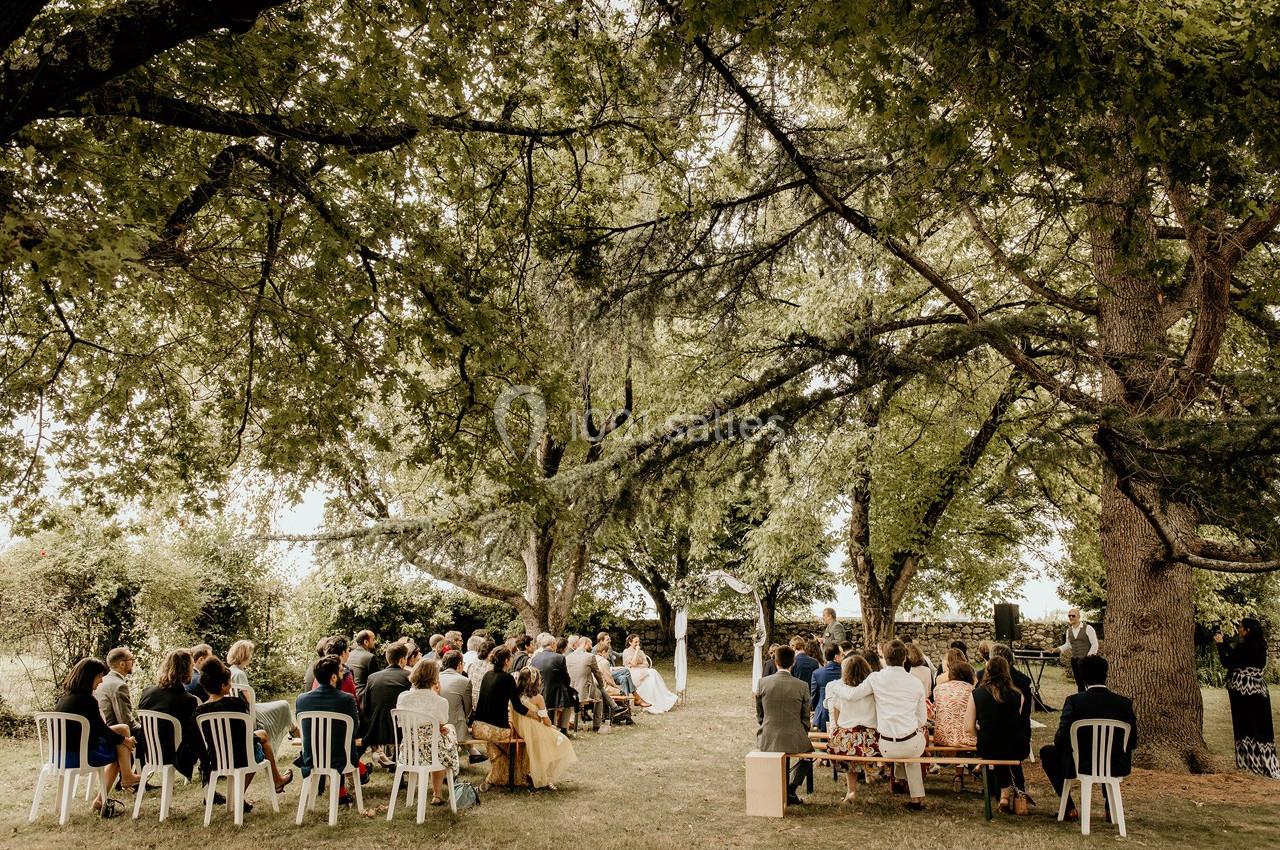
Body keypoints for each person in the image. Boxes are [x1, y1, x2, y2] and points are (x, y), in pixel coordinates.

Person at [1039, 654, 1137, 821]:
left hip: (1080, 763)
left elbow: (1061, 737)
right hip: (1114, 764)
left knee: (1047, 752)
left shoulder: (1074, 701)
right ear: (1106, 674)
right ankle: (1109, 808)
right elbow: (1132, 741)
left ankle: (1069, 807)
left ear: (1083, 677)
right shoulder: (1123, 703)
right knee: (1108, 754)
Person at [841, 639, 927, 810]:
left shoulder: (876, 678)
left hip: (886, 745)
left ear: (884, 658)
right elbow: (922, 719)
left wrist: (834, 687)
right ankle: (915, 798)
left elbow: (853, 694)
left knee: (907, 746)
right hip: (910, 744)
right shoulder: (915, 682)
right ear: (905, 658)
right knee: (913, 750)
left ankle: (899, 780)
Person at [195, 657, 292, 805]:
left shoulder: (199, 711)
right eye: (229, 681)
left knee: (262, 735)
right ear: (223, 685)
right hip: (240, 756)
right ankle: (241, 795)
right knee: (259, 746)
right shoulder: (236, 705)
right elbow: (244, 736)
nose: (231, 684)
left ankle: (276, 780)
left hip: (215, 759)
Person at [55, 657, 140, 817]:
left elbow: (97, 729)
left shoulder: (64, 699)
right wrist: (125, 741)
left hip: (60, 755)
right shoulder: (87, 701)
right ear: (89, 677)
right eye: (100, 676)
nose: (101, 681)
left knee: (122, 729)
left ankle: (126, 775)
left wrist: (122, 738)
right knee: (119, 750)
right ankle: (110, 791)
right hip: (80, 756)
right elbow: (101, 730)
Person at [1215, 617, 1280, 778]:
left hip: (1242, 691)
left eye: (1241, 627)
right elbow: (1237, 657)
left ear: (1248, 630)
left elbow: (1227, 662)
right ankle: (1266, 761)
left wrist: (1220, 644)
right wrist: (1224, 643)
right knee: (1261, 726)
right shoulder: (1261, 646)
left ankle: (1248, 762)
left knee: (1244, 725)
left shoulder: (1244, 647)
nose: (1239, 629)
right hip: (1259, 689)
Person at [296, 654, 361, 805]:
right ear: (333, 677)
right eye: (341, 671)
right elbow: (354, 729)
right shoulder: (346, 699)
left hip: (311, 757)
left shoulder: (301, 699)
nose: (343, 674)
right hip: (341, 758)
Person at [965, 655, 1026, 812]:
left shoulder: (976, 694)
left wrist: (982, 735)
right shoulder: (1018, 695)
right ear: (1007, 672)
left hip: (989, 745)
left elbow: (968, 727)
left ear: (987, 671)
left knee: (996, 746)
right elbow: (1013, 724)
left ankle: (1004, 794)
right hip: (1015, 745)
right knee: (1003, 744)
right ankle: (1007, 794)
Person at [396, 658, 460, 804]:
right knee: (448, 730)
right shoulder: (439, 701)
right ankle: (437, 794)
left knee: (439, 737)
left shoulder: (403, 697)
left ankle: (435, 794)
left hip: (409, 751)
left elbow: (401, 722)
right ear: (434, 678)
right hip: (433, 753)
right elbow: (443, 721)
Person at [755, 645, 814, 805]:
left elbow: (760, 714)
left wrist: (766, 726)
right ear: (793, 662)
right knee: (809, 756)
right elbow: (805, 716)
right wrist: (802, 731)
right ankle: (791, 788)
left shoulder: (762, 683)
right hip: (794, 736)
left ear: (775, 661)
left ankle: (780, 789)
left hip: (768, 736)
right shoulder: (802, 685)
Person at [138, 648, 206, 782]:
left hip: (149, 750)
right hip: (176, 755)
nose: (193, 671)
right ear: (185, 670)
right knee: (203, 736)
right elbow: (193, 734)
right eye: (191, 667)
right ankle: (209, 780)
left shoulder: (147, 692)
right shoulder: (187, 700)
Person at [472, 647, 532, 789]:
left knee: (506, 740)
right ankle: (517, 776)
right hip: (495, 730)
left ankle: (499, 776)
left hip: (478, 727)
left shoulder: (487, 675)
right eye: (510, 658)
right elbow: (518, 707)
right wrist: (535, 715)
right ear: (506, 661)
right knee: (521, 736)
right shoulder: (507, 678)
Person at [510, 667, 579, 789]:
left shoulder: (515, 696)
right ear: (535, 681)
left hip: (520, 729)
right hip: (533, 730)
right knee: (563, 741)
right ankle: (547, 776)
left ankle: (539, 774)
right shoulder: (537, 698)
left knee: (550, 737)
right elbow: (546, 720)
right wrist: (551, 725)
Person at [824, 653, 879, 803]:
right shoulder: (872, 691)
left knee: (848, 744)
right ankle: (871, 774)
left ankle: (851, 790)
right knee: (861, 744)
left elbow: (836, 716)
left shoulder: (841, 691)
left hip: (846, 740)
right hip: (871, 741)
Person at [227, 639, 296, 752]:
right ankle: (295, 732)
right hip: (249, 712)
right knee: (284, 705)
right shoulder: (240, 674)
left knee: (282, 707)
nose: (251, 656)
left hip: (241, 711)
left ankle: (293, 730)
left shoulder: (230, 671)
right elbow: (249, 700)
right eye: (250, 653)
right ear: (244, 655)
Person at [931, 658, 977, 790]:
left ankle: (958, 774)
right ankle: (960, 774)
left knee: (956, 730)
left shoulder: (938, 689)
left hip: (943, 736)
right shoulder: (972, 690)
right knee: (964, 732)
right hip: (966, 738)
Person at [95, 647, 146, 764]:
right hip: (114, 734)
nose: (133, 662)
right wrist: (144, 728)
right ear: (122, 664)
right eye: (131, 659)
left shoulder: (102, 680)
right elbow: (125, 721)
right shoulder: (119, 685)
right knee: (147, 734)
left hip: (101, 732)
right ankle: (139, 773)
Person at [361, 639, 413, 755]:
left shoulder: (372, 678)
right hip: (402, 731)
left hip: (377, 730)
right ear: (402, 660)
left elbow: (366, 707)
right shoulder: (410, 677)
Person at [567, 636, 621, 730]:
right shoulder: (589, 656)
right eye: (590, 644)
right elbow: (597, 673)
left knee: (597, 687)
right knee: (599, 695)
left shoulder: (568, 657)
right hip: (584, 692)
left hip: (570, 690)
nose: (592, 647)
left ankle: (613, 707)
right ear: (585, 643)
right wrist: (601, 685)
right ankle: (597, 724)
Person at [438, 650, 478, 762]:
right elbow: (468, 707)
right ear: (460, 664)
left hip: (437, 722)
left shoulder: (435, 677)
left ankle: (472, 751)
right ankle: (472, 751)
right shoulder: (465, 681)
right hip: (454, 725)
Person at [529, 632, 575, 729]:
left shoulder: (535, 658)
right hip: (556, 692)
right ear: (553, 644)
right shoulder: (559, 657)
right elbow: (565, 677)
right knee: (569, 697)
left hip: (539, 690)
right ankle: (563, 728)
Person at [622, 635, 677, 713]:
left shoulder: (641, 652)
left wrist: (637, 665)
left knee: (652, 675)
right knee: (652, 672)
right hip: (631, 673)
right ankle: (650, 701)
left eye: (638, 642)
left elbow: (646, 664)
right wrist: (636, 652)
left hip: (642, 671)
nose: (638, 644)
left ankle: (657, 701)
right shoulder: (626, 652)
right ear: (630, 642)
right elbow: (633, 663)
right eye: (635, 642)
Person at [1054, 608, 1099, 692]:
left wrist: (1089, 657)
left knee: (1089, 683)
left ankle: (1090, 698)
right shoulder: (1069, 631)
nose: (1071, 617)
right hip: (1074, 660)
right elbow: (1068, 644)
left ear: (1078, 616)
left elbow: (1095, 644)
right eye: (1069, 616)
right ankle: (1081, 699)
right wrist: (1057, 649)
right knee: (1079, 684)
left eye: (1073, 615)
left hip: (1086, 660)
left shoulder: (1088, 628)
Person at [810, 644, 843, 732]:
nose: (843, 658)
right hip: (842, 713)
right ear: (836, 657)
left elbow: (814, 694)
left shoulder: (817, 673)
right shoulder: (844, 672)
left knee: (823, 738)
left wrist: (816, 708)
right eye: (842, 655)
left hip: (822, 713)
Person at [347, 630, 382, 703]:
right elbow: (377, 681)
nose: (375, 642)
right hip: (364, 698)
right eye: (373, 639)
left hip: (350, 694)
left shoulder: (349, 655)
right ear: (366, 642)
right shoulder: (370, 657)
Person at [466, 639, 495, 708]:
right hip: (484, 703)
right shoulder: (491, 667)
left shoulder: (472, 665)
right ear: (491, 653)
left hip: (472, 701)